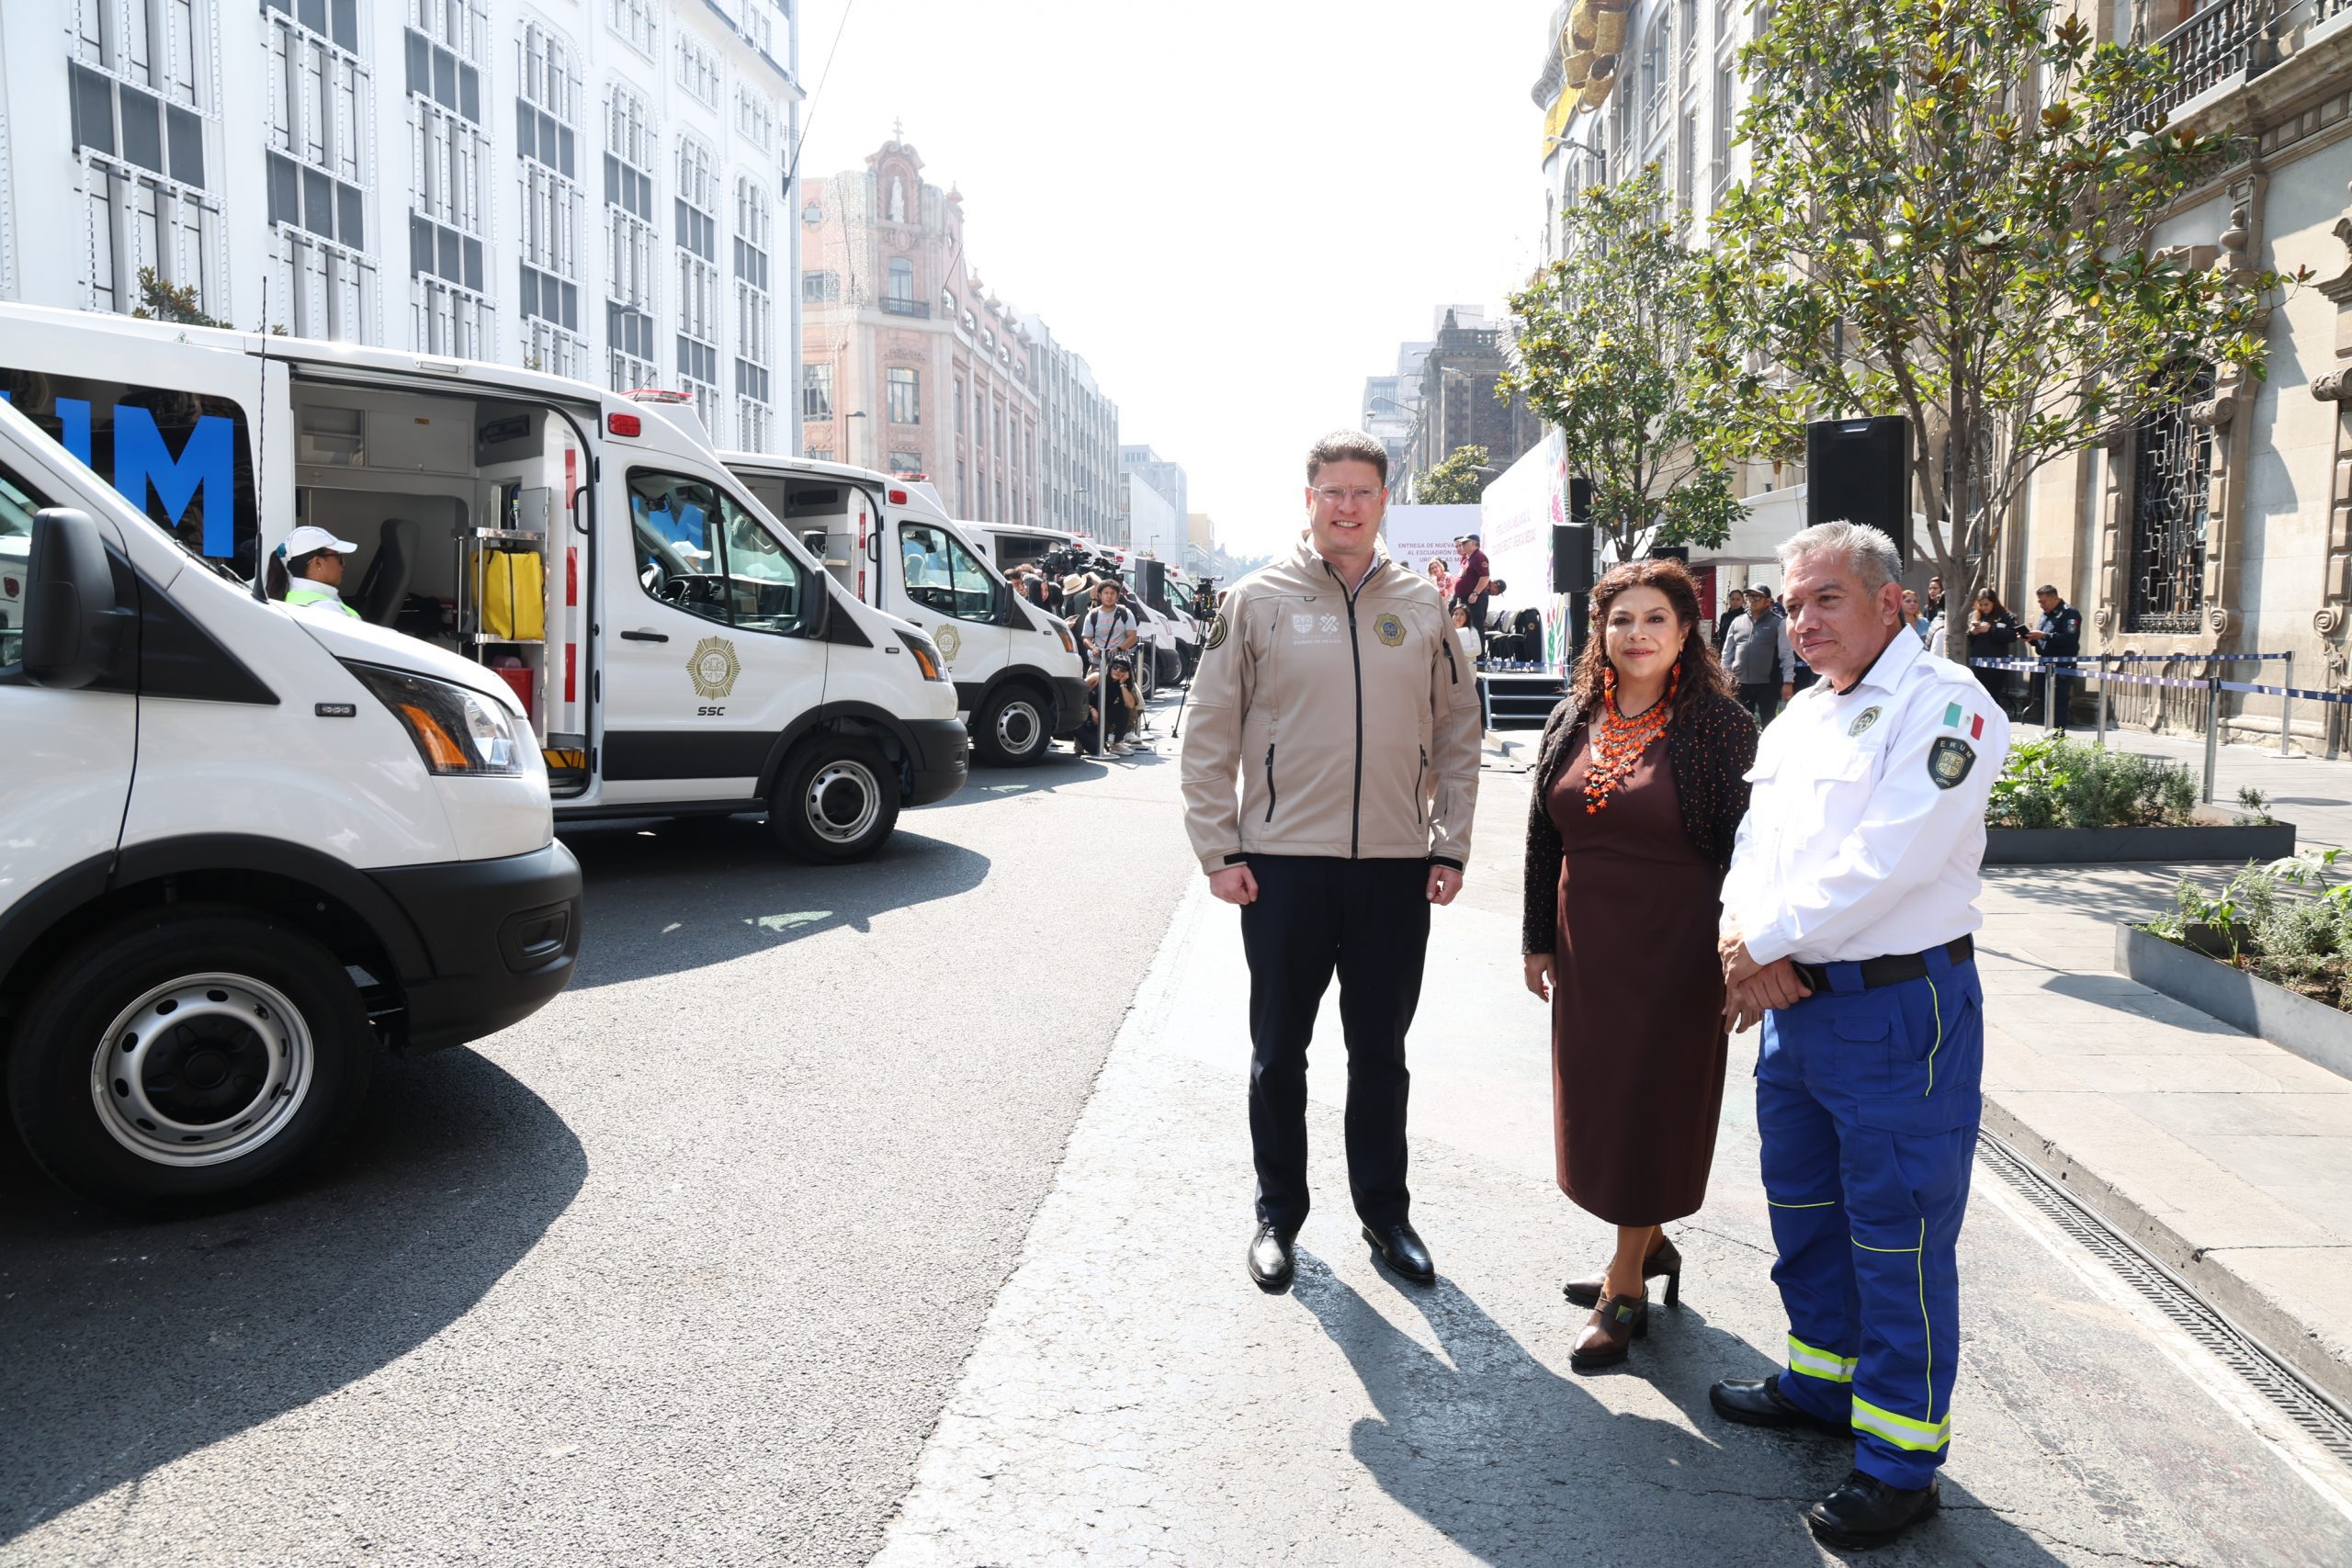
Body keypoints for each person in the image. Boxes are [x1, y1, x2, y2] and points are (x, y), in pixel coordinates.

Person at [1710, 520, 2007, 1551]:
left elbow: (1892, 858)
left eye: (1825, 598)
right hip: (1797, 1001)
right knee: (1803, 1206)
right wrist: (1745, 942)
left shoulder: (1948, 706)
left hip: (1894, 1011)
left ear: (1895, 601)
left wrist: (1760, 946)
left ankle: (1898, 1462)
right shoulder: (1800, 715)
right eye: (1792, 603)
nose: (1801, 621)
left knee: (1897, 1236)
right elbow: (1754, 847)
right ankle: (1821, 1381)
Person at [1182, 430, 1483, 1293]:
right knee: (1279, 1051)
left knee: (1381, 1053)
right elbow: (1207, 730)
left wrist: (1450, 840)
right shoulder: (1255, 600)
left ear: (1385, 501)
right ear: (1308, 498)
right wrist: (1219, 847)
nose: (1346, 506)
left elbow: (1459, 729)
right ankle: (1278, 1214)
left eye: (1362, 492)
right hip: (1281, 866)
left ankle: (1386, 1213)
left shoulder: (1422, 606)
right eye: (1332, 491)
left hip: (1394, 866)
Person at [1521, 559, 1756, 1371]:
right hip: (1588, 948)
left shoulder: (1721, 727)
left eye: (1656, 617)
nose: (1638, 633)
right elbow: (1543, 836)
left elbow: (1748, 851)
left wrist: (1744, 952)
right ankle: (1646, 1245)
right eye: (1621, 619)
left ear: (1686, 631)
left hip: (1678, 948)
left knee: (1651, 1107)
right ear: (1602, 631)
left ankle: (1625, 1286)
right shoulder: (1572, 715)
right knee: (1600, 1104)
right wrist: (1537, 938)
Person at [1721, 585, 1795, 726]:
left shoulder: (1778, 623)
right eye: (1749, 596)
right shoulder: (1737, 622)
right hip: (1740, 683)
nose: (1751, 600)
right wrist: (1725, 677)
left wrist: (1788, 682)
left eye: (1757, 597)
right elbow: (1727, 653)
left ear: (1768, 601)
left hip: (1767, 684)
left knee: (1769, 722)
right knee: (1740, 723)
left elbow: (1786, 654)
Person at [2021, 583, 2083, 733]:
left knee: (2058, 701)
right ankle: (2048, 733)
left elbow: (2070, 638)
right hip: (2045, 663)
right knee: (2044, 699)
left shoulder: (2070, 613)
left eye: (2044, 602)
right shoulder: (2045, 614)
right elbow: (2043, 640)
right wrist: (2032, 639)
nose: (2041, 605)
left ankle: (2058, 735)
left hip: (2061, 664)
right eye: (2039, 602)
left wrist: (2045, 636)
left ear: (2055, 598)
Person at [265, 525, 362, 618]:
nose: (343, 563)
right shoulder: (327, 610)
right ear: (317, 563)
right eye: (339, 557)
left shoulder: (291, 598)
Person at [1965, 590, 2021, 713]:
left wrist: (1991, 629)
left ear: (1994, 603)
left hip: (1996, 665)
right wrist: (1972, 633)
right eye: (1981, 605)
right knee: (1978, 697)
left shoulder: (2005, 616)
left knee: (1992, 697)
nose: (1983, 608)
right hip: (1977, 664)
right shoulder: (1975, 615)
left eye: (1986, 604)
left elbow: (2012, 635)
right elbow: (1968, 639)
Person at [1452, 534, 1493, 654]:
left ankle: (1479, 658)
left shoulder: (1479, 557)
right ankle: (1469, 655)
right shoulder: (1467, 557)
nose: (1462, 545)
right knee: (1467, 626)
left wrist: (1475, 593)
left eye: (1465, 543)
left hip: (1476, 598)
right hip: (1466, 598)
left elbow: (1485, 577)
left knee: (1476, 626)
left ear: (1473, 544)